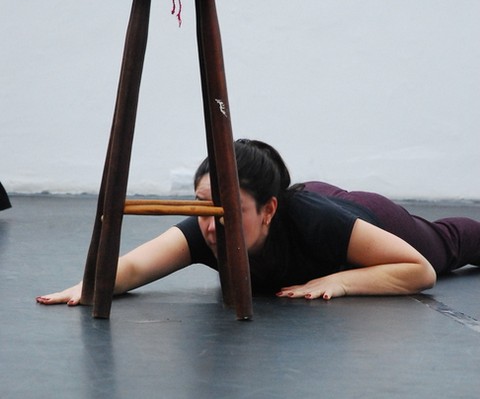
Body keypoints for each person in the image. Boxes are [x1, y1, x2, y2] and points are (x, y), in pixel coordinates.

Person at [36, 139, 480, 306]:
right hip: (305, 200)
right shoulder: (210, 222)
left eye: (231, 213)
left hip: (358, 213)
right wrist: (89, 286)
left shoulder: (314, 222)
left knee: (448, 243)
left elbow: (419, 270)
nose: (213, 226)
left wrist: (341, 281)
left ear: (267, 211)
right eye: (204, 207)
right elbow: (134, 267)